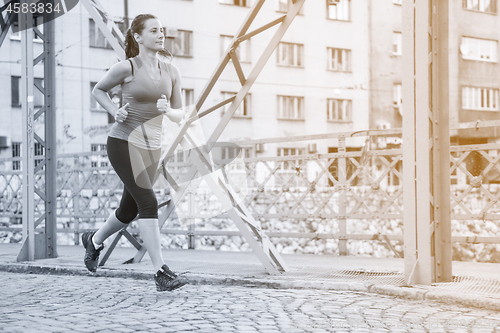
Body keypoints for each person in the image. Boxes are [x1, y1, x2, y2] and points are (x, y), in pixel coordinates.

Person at [81, 14, 186, 292]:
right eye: (154, 30)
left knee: (128, 210)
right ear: (138, 37)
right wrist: (116, 112)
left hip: (152, 148)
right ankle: (161, 272)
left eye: (162, 30)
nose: (160, 34)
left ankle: (93, 241)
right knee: (148, 202)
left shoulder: (172, 71)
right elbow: (98, 90)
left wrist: (168, 111)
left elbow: (180, 114)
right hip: (123, 143)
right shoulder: (126, 67)